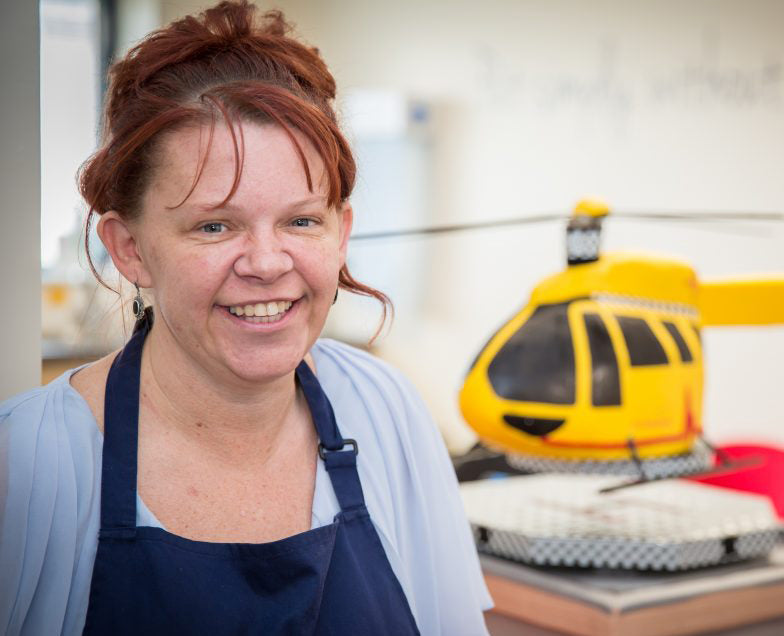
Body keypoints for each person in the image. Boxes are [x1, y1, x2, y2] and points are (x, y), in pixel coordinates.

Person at [0, 1, 492, 633]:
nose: (266, 262)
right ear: (130, 248)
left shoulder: (385, 410)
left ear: (341, 234)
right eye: (214, 225)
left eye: (301, 220)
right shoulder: (31, 462)